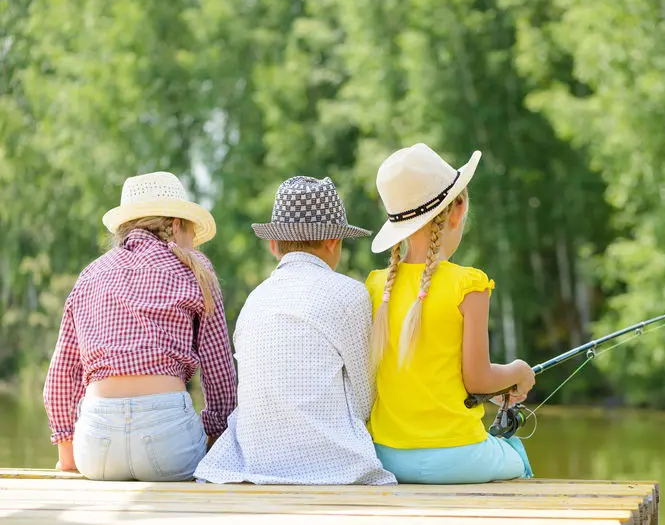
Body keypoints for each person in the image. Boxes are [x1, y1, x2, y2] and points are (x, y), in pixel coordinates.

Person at [194, 176, 396, 485]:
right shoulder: (349, 295)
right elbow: (365, 398)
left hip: (256, 461)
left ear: (274, 245)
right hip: (334, 465)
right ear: (333, 241)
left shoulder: (254, 301)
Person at [43, 171, 238, 481]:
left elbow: (62, 374)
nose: (194, 246)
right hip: (168, 442)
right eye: (191, 236)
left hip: (97, 448)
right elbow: (218, 371)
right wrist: (215, 440)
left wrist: (67, 454)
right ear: (176, 226)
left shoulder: (91, 275)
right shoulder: (194, 268)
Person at [366, 143, 537, 484]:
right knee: (516, 453)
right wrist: (518, 371)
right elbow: (478, 380)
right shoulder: (468, 285)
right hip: (458, 456)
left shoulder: (375, 287)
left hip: (385, 455)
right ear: (457, 210)